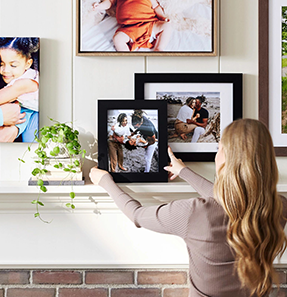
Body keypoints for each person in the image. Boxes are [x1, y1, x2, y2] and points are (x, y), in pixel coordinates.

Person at [90, 118, 287, 297]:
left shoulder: (194, 212)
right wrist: (185, 172)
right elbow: (230, 202)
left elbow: (137, 214)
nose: (216, 156)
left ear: (227, 158)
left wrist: (106, 181)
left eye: (219, 149)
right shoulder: (279, 207)